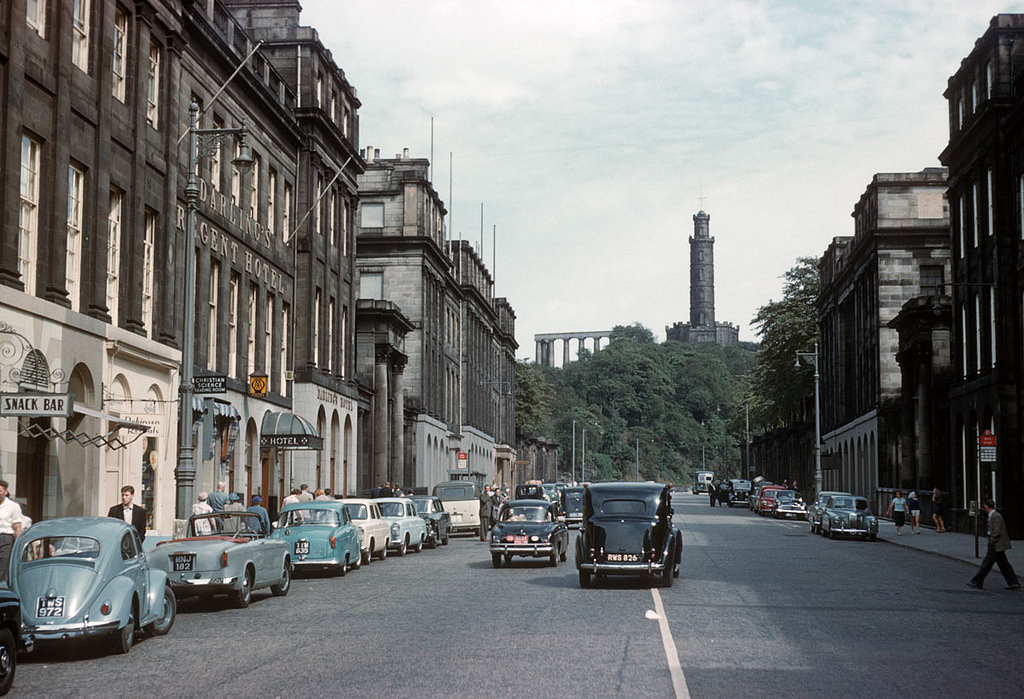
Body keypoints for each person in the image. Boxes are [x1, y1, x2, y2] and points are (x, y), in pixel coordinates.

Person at [967, 500, 1020, 590]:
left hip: (996, 543)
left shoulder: (996, 516)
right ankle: (1013, 582)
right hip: (996, 543)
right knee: (1003, 564)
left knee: (987, 563)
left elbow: (997, 531)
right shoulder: (993, 515)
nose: (984, 508)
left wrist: (992, 539)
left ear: (987, 506)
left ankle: (977, 581)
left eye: (985, 506)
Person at [0, 480, 24, 584]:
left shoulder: (13, 506)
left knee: (2, 568)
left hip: (6, 539)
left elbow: (17, 526)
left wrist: (18, 544)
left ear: (5, 492)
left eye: (0, 491)